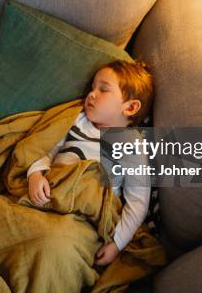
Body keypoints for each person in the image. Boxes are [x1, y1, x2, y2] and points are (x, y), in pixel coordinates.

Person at [27, 60, 153, 266]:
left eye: (103, 89)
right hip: (49, 195)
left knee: (53, 245)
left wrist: (116, 244)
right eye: (92, 87)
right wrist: (35, 174)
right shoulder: (77, 120)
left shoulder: (131, 144)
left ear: (130, 107)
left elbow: (138, 202)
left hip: (86, 216)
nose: (91, 94)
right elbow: (46, 148)